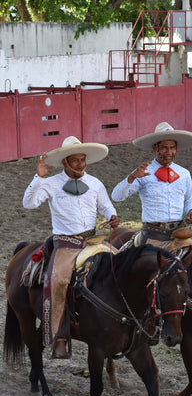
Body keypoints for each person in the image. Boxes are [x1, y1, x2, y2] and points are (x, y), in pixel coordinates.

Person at [23, 136, 120, 359]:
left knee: (120, 265)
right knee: (58, 280)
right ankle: (60, 336)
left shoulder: (95, 183)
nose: (80, 164)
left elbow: (106, 206)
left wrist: (112, 216)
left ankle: (119, 325)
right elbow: (29, 204)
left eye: (82, 159)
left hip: (93, 240)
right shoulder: (50, 184)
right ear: (65, 162)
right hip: (65, 243)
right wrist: (39, 177)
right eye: (74, 160)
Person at [111, 122, 192, 246]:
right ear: (155, 148)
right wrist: (131, 178)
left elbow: (189, 200)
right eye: (164, 147)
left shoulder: (184, 173)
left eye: (172, 147)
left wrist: (191, 211)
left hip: (179, 231)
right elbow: (116, 197)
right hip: (153, 233)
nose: (169, 152)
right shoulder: (143, 172)